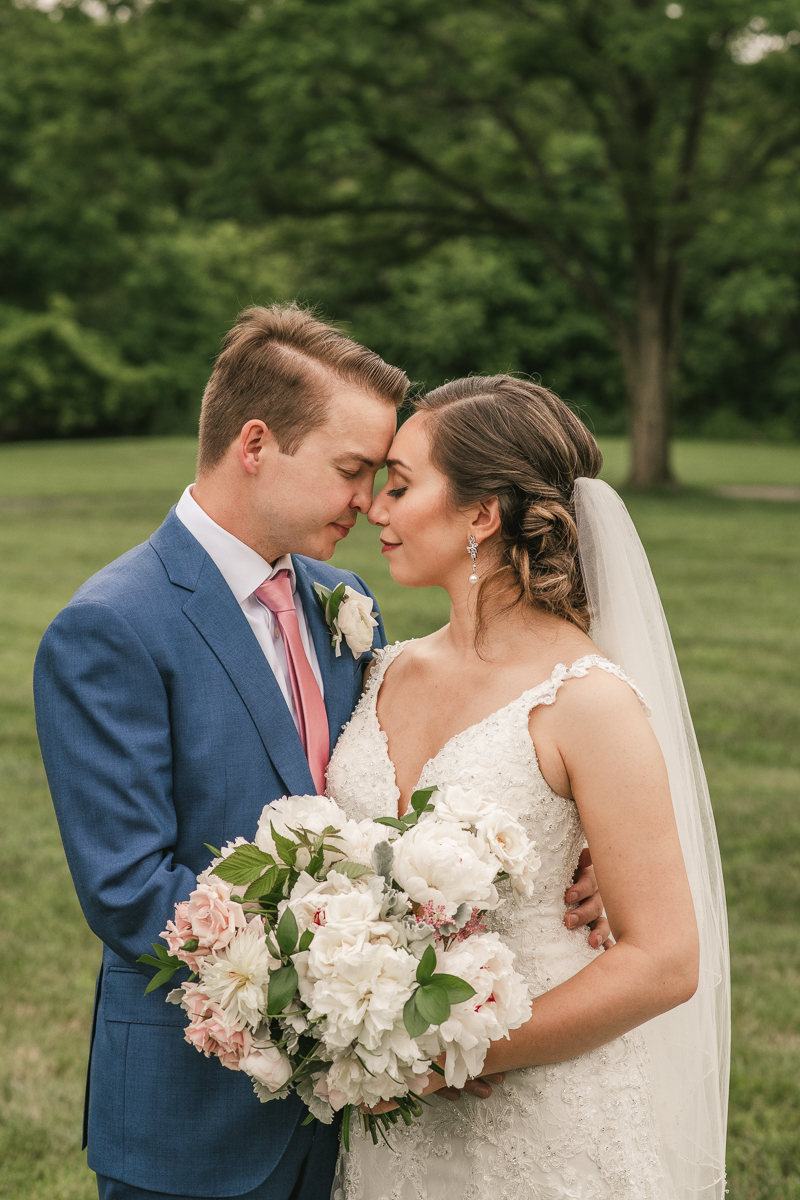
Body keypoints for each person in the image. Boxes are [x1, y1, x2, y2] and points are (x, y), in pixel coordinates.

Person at [33, 308, 609, 1200]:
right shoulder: (112, 627)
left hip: (355, 1125)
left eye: (384, 478)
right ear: (256, 444)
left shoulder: (344, 600)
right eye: (352, 471)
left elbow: (412, 782)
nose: (369, 503)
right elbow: (130, 891)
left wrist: (577, 845)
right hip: (198, 1116)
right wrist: (364, 1008)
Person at [327, 375, 730, 1200]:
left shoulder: (587, 700)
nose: (375, 507)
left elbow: (664, 961)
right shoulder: (383, 668)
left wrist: (457, 1052)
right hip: (392, 1123)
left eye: (401, 486)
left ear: (483, 515)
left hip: (542, 1111)